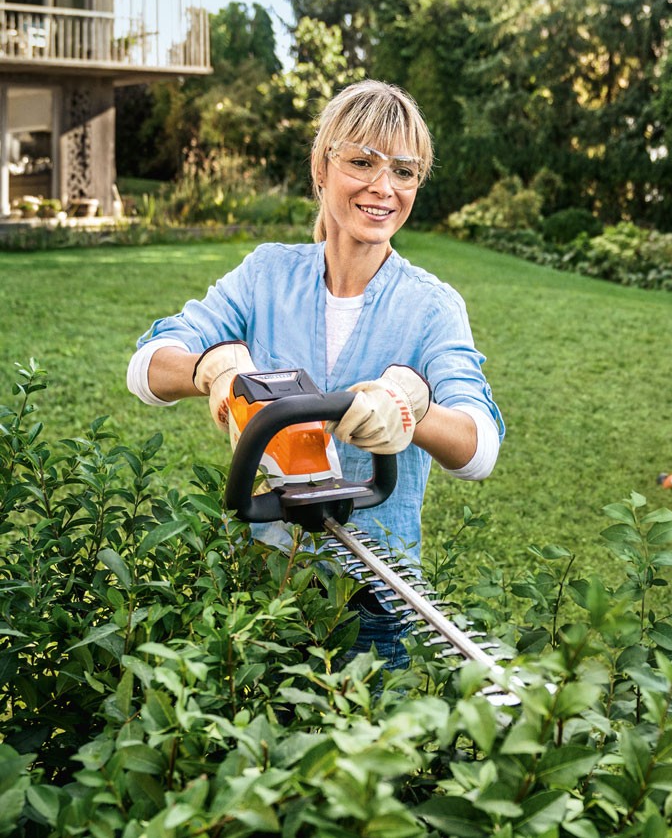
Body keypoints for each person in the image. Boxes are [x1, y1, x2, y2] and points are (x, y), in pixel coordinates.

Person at [127, 79, 505, 667]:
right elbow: (146, 365)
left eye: (404, 173)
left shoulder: (431, 306)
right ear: (321, 168)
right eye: (362, 162)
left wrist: (414, 410)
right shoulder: (266, 275)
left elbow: (480, 448)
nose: (383, 188)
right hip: (266, 585)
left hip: (374, 599)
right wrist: (211, 367)